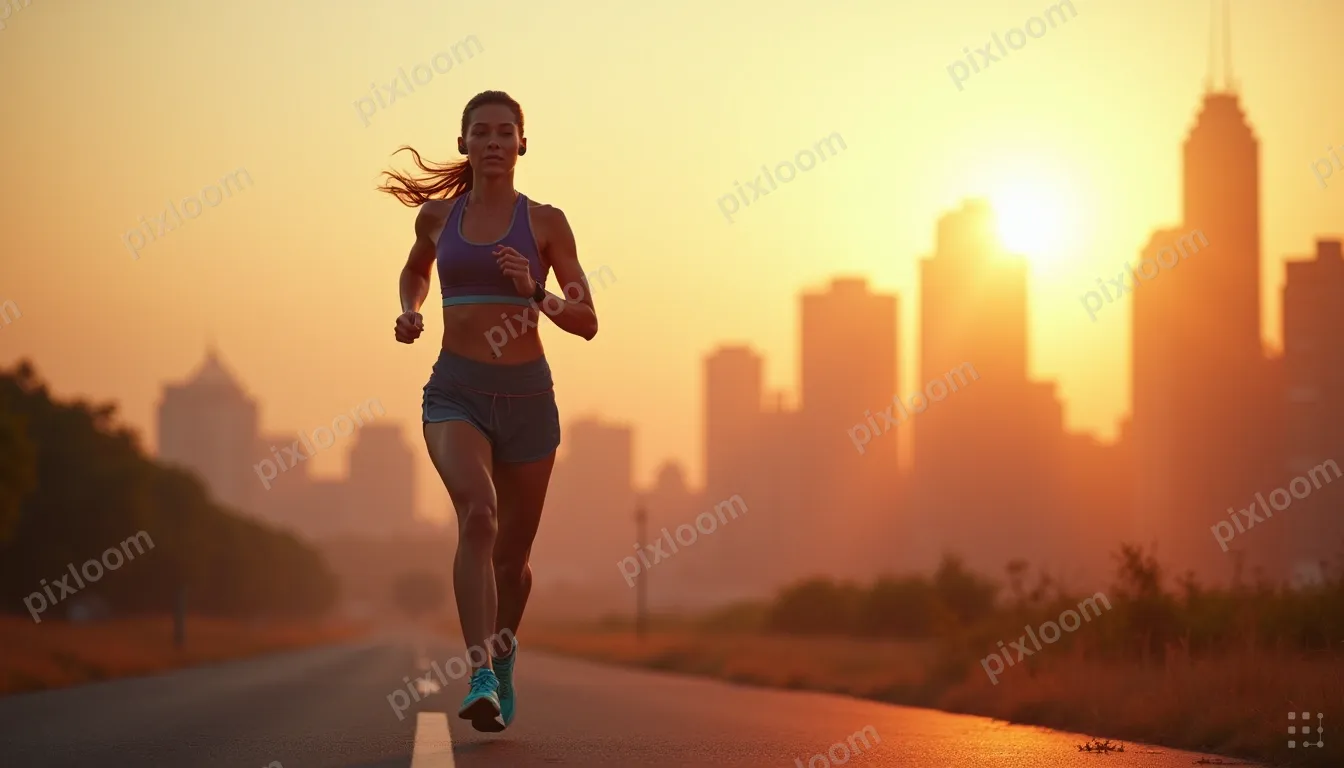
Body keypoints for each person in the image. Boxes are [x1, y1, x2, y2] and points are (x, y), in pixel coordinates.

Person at [380, 90, 599, 732]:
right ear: (464, 143)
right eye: (482, 132)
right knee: (478, 514)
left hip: (530, 401)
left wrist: (533, 288)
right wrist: (411, 308)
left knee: (512, 561)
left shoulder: (548, 223)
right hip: (456, 393)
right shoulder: (436, 217)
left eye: (506, 132)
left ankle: (502, 654)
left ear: (522, 145)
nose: (494, 142)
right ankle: (478, 671)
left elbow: (587, 321)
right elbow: (414, 271)